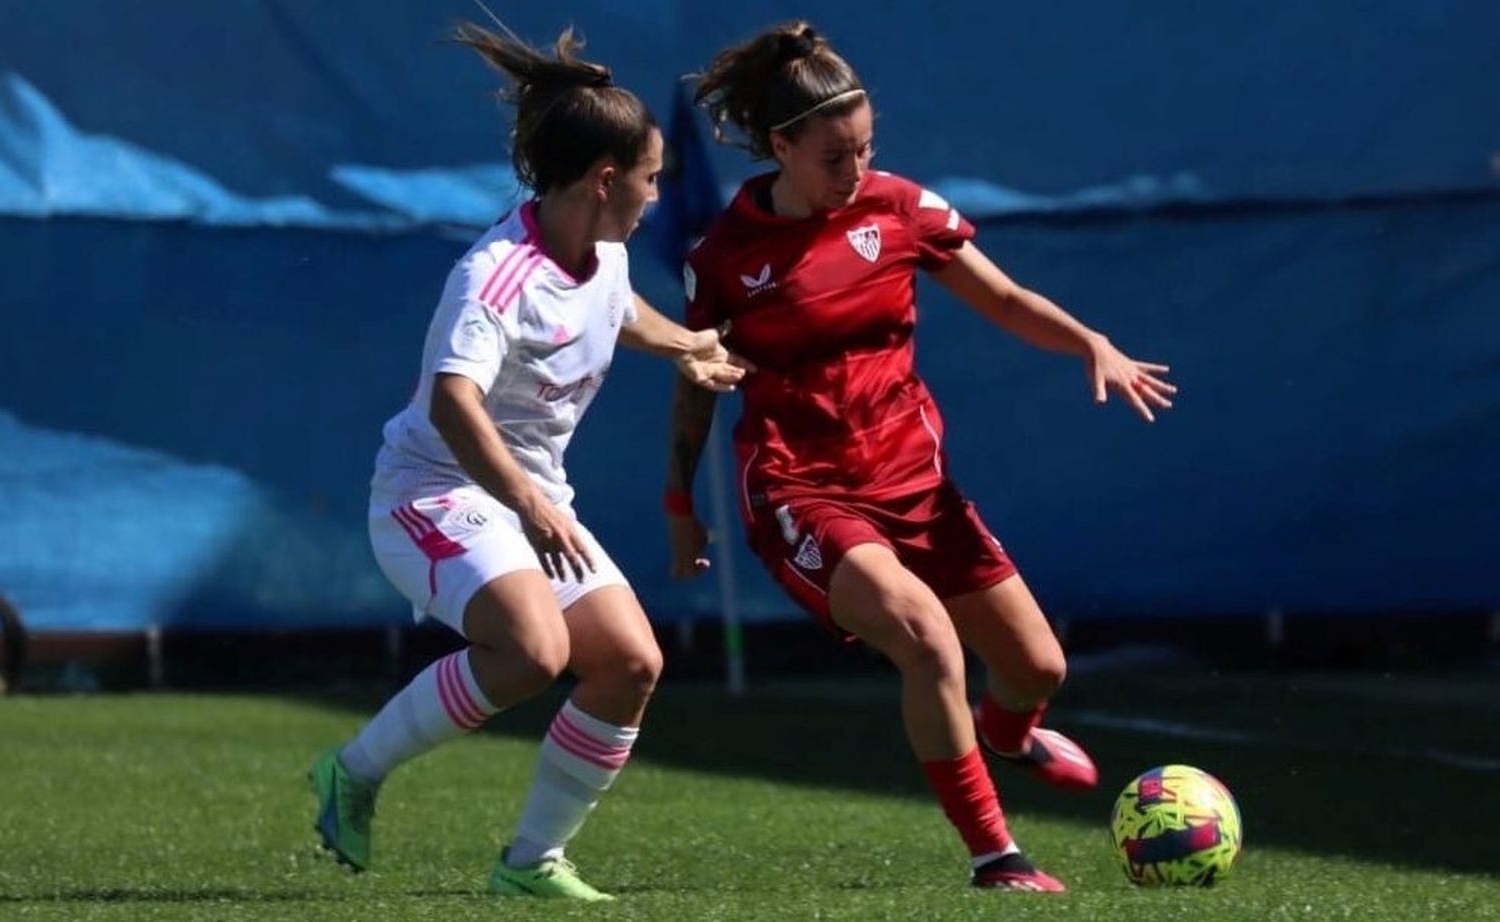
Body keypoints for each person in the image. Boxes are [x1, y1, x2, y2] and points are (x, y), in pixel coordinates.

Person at [667, 22, 1177, 892]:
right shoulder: (723, 257)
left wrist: (1089, 341)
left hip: (914, 481)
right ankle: (996, 855)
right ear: (780, 146)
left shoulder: (899, 208)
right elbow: (695, 383)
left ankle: (1008, 736)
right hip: (801, 488)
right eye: (833, 156)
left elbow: (1006, 297)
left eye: (865, 149)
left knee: (1036, 666)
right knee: (928, 642)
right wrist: (682, 503)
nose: (854, 171)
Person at [309, 19, 746, 902]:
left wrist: (688, 345)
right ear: (604, 179)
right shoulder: (495, 275)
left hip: (526, 499)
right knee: (535, 650)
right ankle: (351, 769)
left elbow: (621, 311)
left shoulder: (604, 253)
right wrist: (534, 505)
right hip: (431, 497)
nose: (658, 197)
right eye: (652, 179)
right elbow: (451, 400)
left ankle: (529, 864)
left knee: (631, 663)